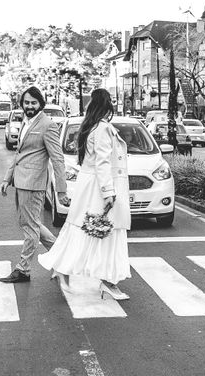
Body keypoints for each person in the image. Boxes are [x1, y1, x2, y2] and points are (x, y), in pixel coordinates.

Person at [38, 88, 131, 300]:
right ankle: (104, 280)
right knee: (104, 232)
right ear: (105, 105)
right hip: (101, 189)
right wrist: (108, 192)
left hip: (91, 186)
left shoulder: (93, 127)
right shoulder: (102, 129)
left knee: (89, 230)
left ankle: (81, 273)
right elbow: (103, 162)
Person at [0, 86, 69, 283]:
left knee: (30, 228)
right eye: (26, 102)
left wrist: (61, 189)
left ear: (41, 104)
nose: (29, 106)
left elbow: (58, 159)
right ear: (22, 104)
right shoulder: (25, 121)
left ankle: (23, 269)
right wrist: (7, 178)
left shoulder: (47, 125)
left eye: (33, 103)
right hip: (20, 182)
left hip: (33, 184)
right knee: (31, 224)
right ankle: (62, 258)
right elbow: (19, 154)